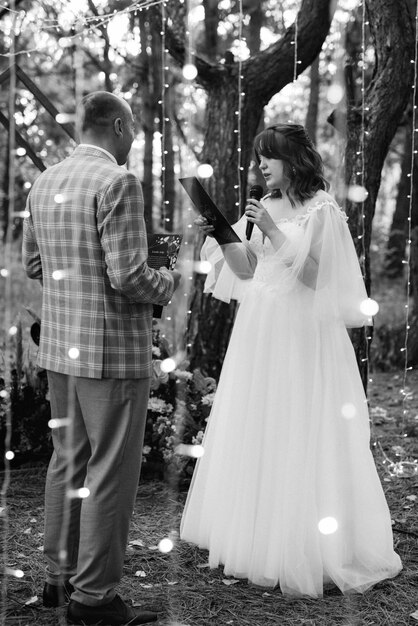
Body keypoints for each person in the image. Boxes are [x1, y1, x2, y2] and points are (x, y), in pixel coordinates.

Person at [180, 123, 402, 598]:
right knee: (261, 424)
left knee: (302, 425)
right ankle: (258, 541)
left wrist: (273, 231)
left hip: (303, 334)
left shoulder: (322, 208)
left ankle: (307, 545)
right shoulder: (264, 207)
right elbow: (247, 270)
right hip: (260, 331)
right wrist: (222, 235)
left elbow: (318, 279)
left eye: (270, 157)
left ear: (294, 160)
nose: (260, 165)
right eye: (258, 157)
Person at [22, 91, 181, 625]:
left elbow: (35, 263)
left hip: (60, 349)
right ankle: (95, 600)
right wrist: (170, 279)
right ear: (117, 125)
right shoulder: (118, 181)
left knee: (67, 461)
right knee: (110, 470)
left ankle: (56, 581)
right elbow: (130, 276)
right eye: (132, 128)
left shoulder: (43, 180)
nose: (133, 138)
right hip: (111, 350)